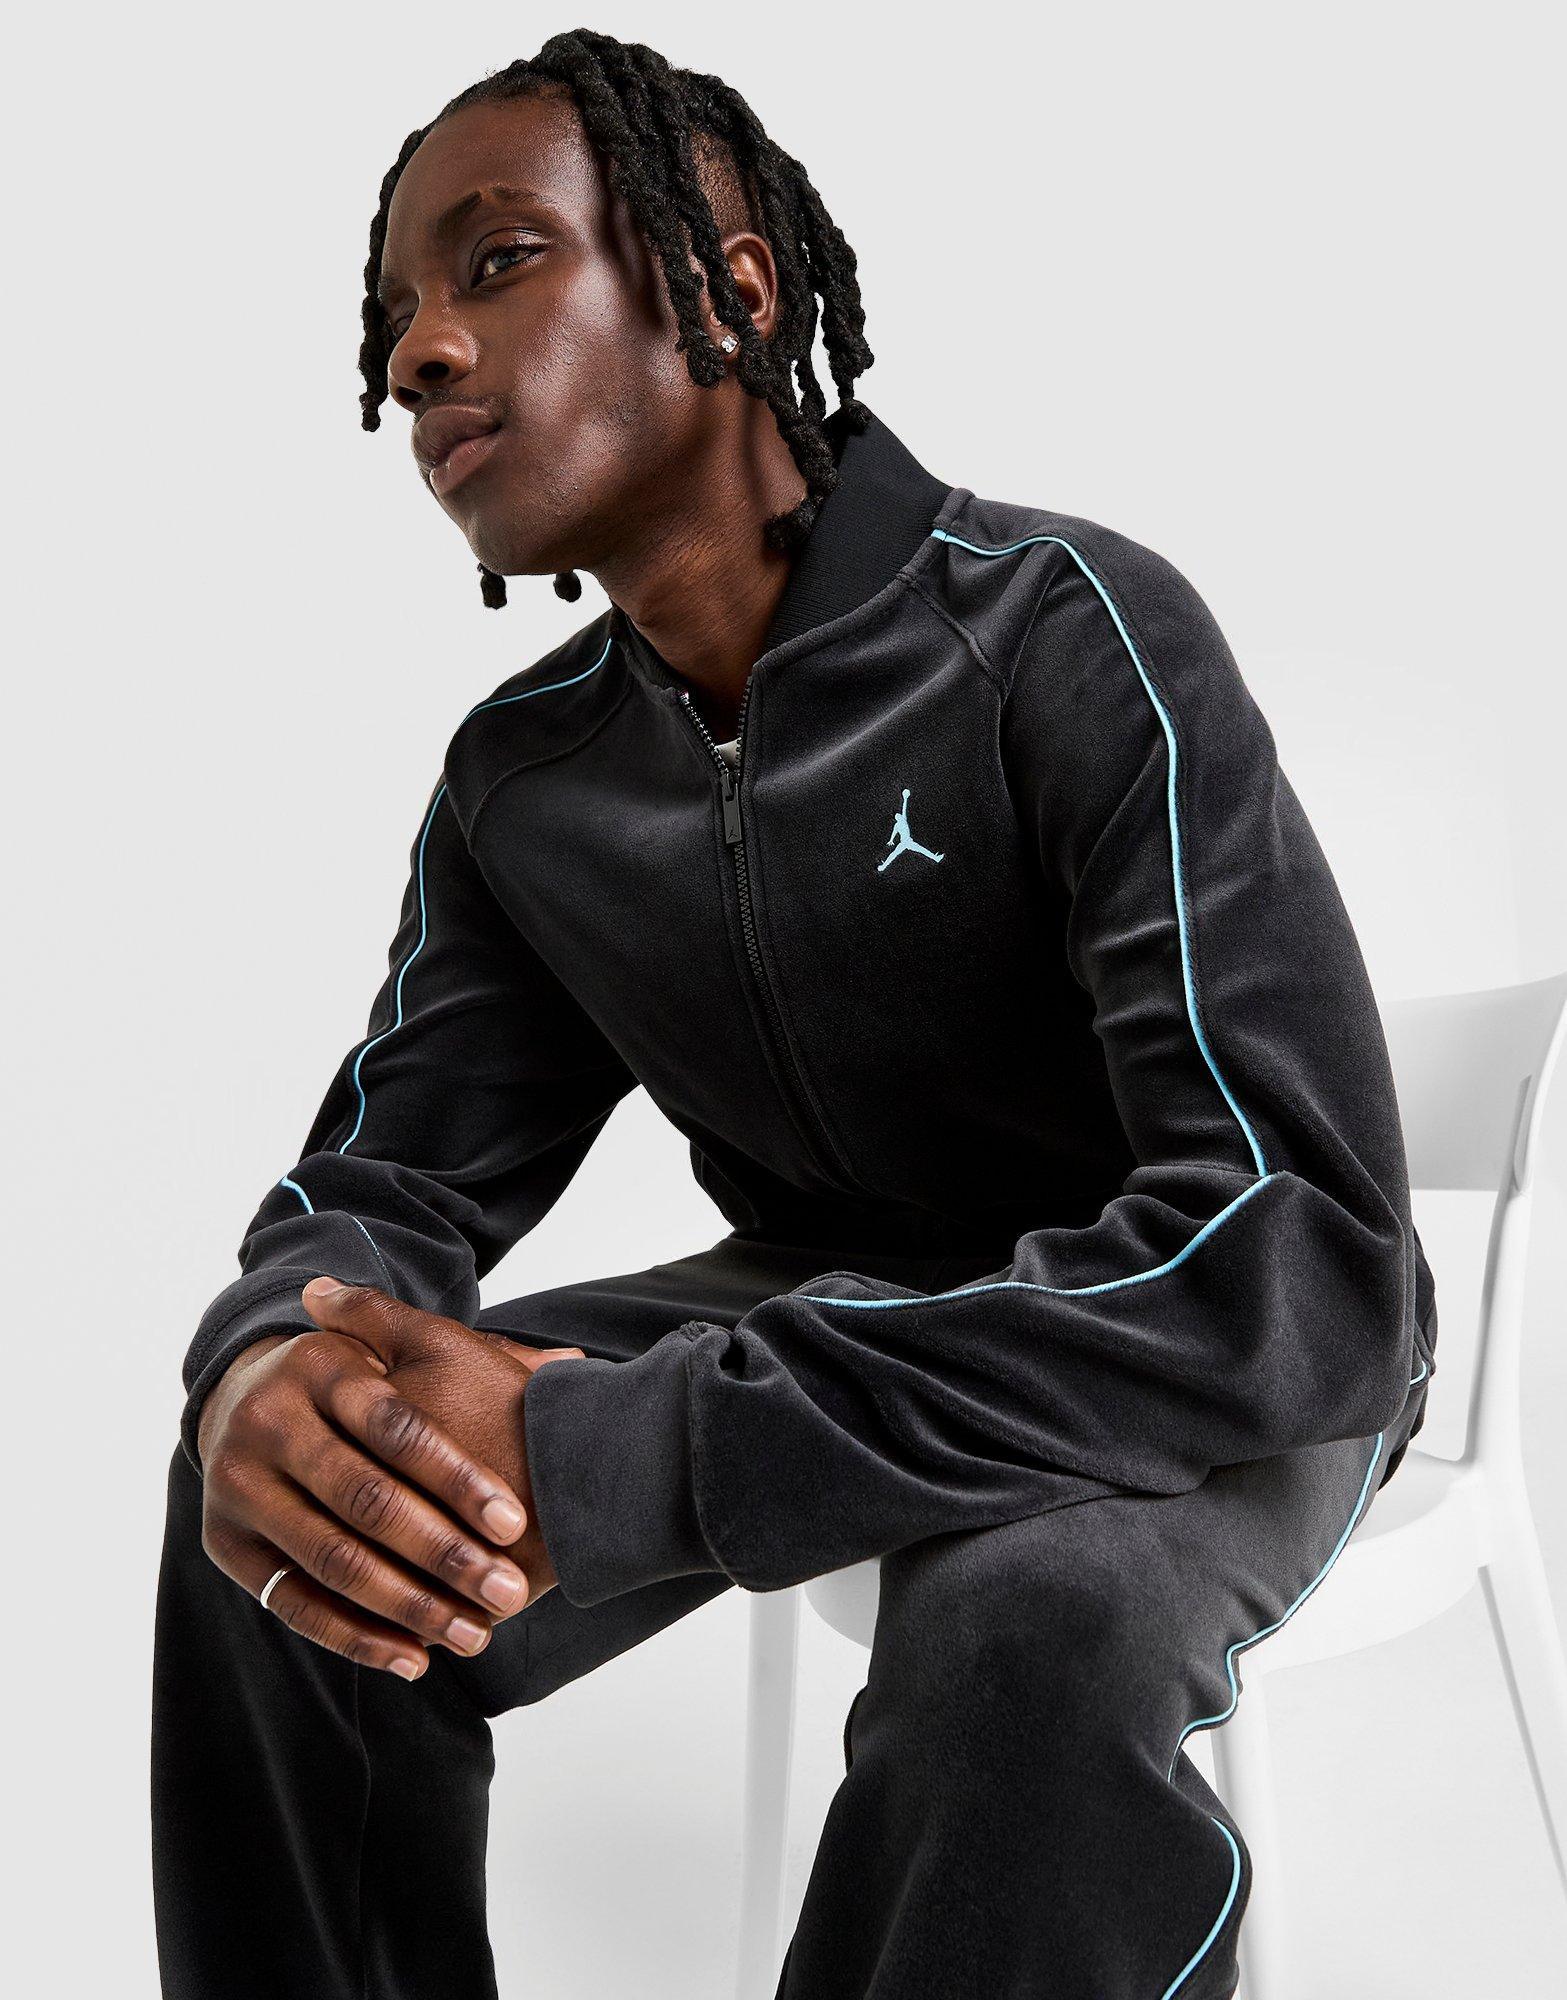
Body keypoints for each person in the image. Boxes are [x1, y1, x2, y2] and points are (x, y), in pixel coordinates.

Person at [150, 27, 1439, 2000]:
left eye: (497, 261)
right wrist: (263, 1360)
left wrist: (639, 1449)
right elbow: (383, 1185)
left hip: (1179, 1329)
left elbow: (1302, 1257)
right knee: (308, 1509)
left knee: (1027, 1630)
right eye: (396, 313)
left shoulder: (1057, 631)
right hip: (828, 1298)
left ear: (733, 294)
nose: (418, 353)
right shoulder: (530, 782)